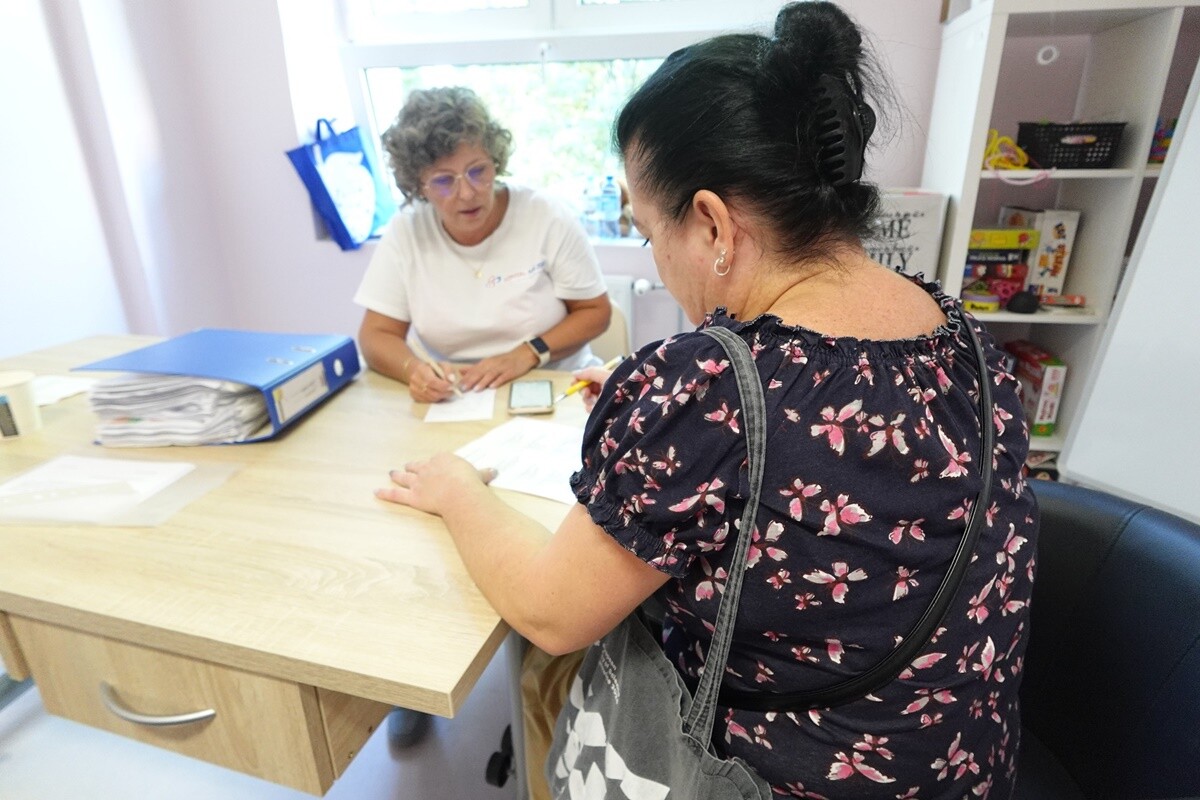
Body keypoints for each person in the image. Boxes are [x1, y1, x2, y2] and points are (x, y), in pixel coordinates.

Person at [375, 3, 1038, 798]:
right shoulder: (967, 340)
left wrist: (455, 489)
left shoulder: (711, 385)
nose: (656, 259)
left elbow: (552, 612)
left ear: (714, 226)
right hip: (964, 771)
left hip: (777, 779)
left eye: (649, 232)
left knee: (549, 665)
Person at [354, 86, 611, 403]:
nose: (467, 193)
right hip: (457, 396)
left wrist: (529, 352)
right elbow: (375, 335)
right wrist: (414, 370)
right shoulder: (407, 230)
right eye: (444, 181)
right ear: (418, 185)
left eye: (477, 171)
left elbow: (596, 312)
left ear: (496, 161)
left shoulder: (545, 216)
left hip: (556, 384)